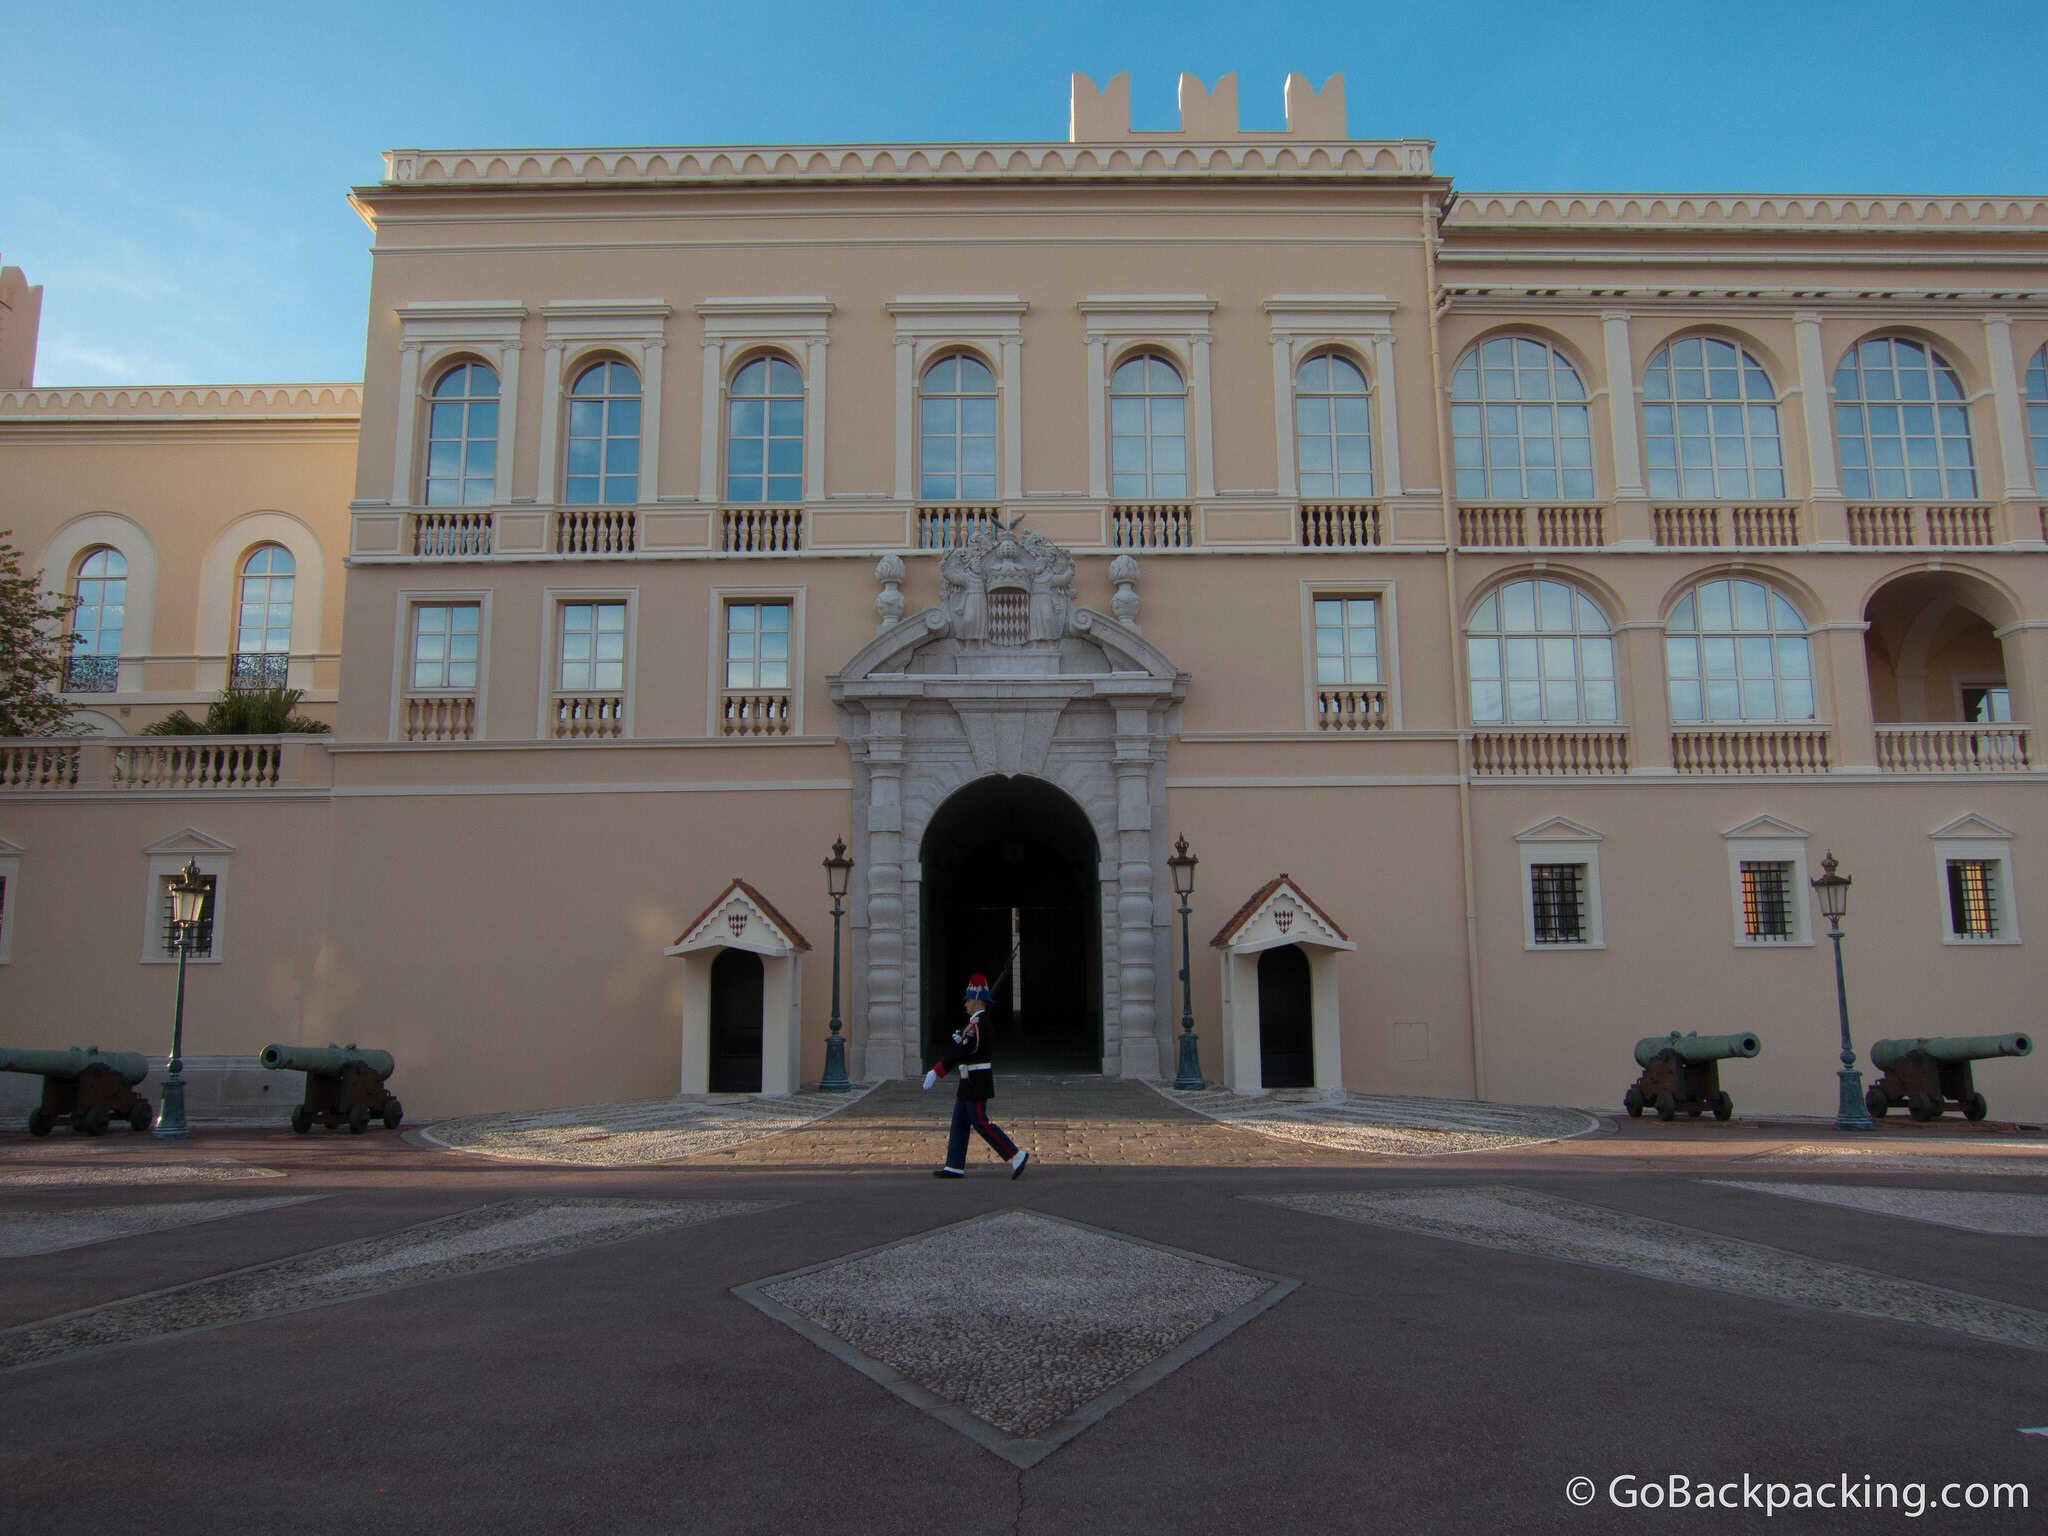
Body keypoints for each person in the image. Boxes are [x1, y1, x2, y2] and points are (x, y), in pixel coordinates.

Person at [922, 972, 1030, 1179]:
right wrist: (962, 1041)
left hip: (976, 1083)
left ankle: (1016, 1155)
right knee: (960, 1123)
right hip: (968, 1082)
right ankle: (954, 1166)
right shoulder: (975, 1024)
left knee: (981, 1123)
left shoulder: (978, 1025)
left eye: (969, 1000)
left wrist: (937, 1071)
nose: (965, 1004)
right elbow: (970, 1048)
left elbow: (962, 1052)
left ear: (978, 1001)